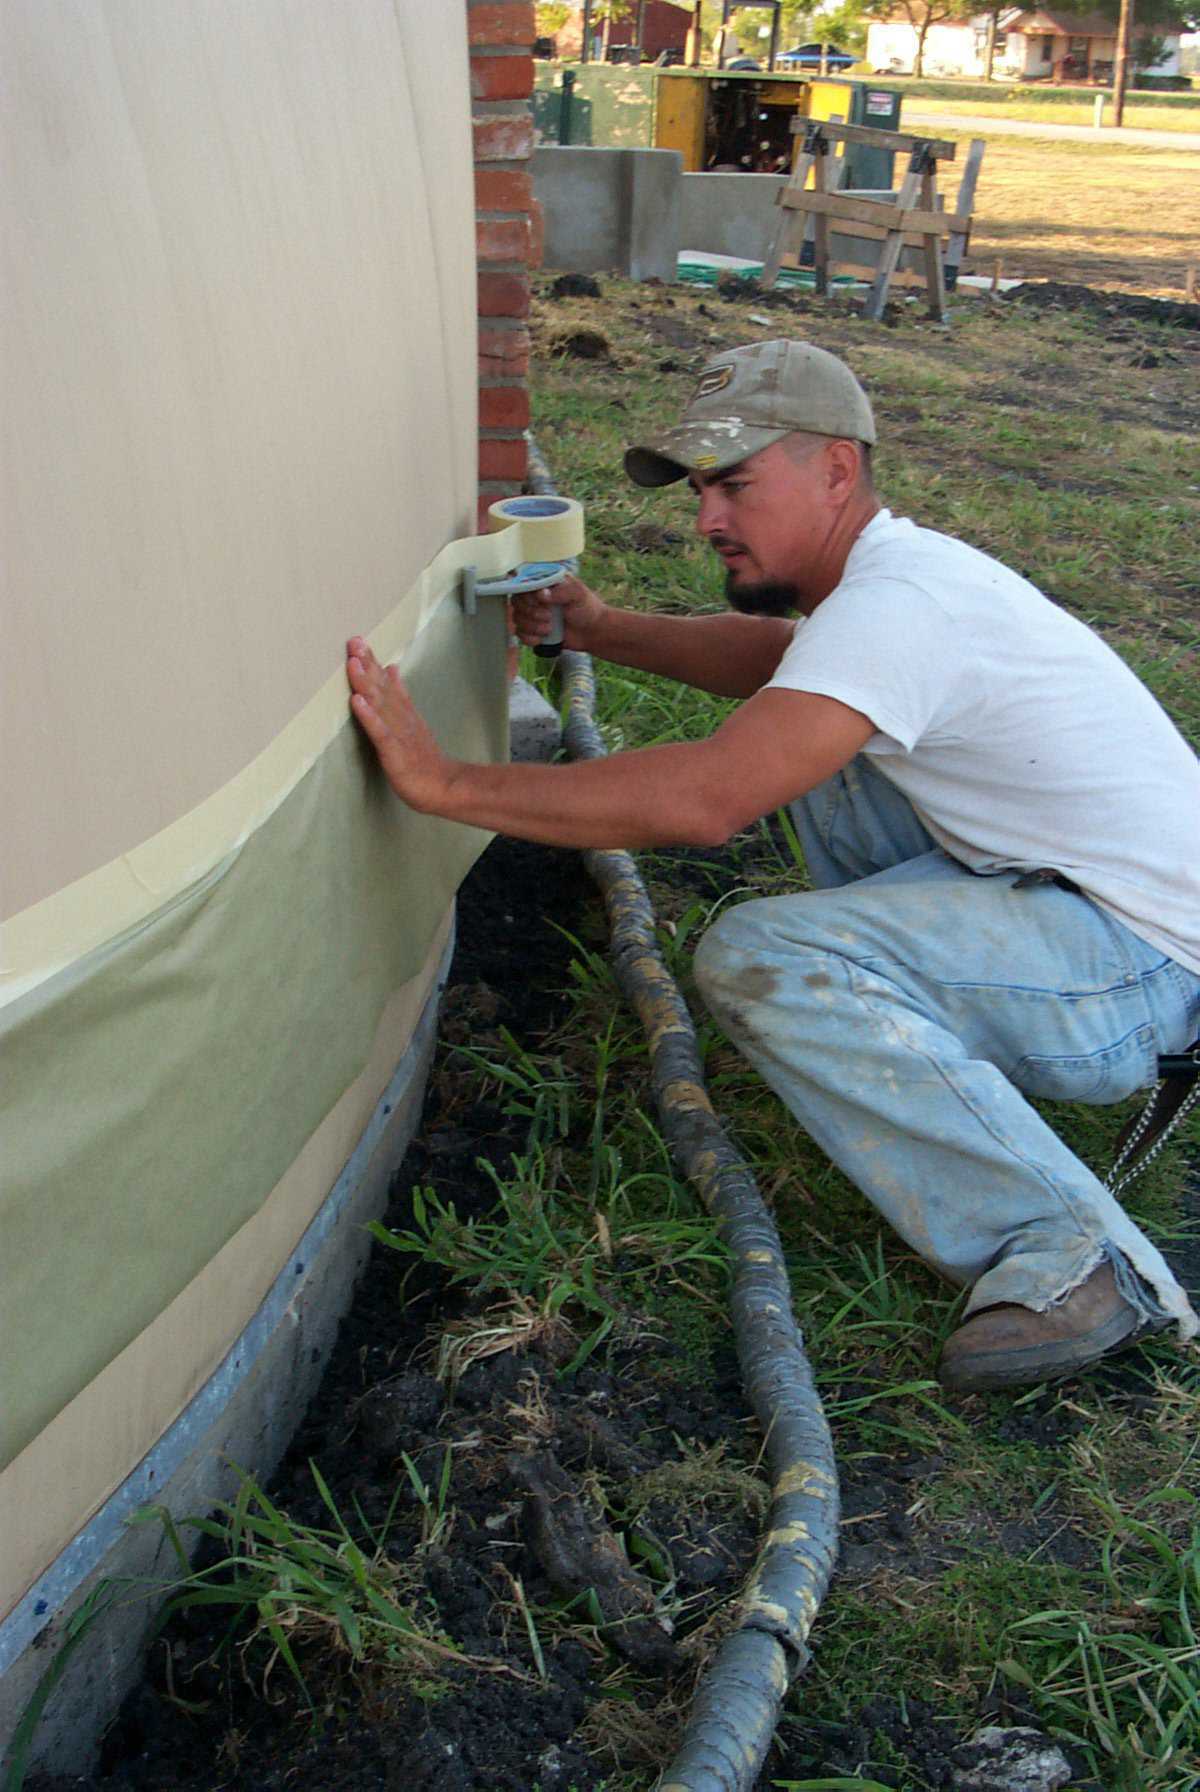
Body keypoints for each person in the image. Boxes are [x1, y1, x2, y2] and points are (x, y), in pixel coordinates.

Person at [347, 337, 1200, 1392]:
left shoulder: (904, 608)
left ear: (838, 469)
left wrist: (451, 785)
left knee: (766, 956)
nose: (707, 517)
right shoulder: (888, 588)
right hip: (1102, 915)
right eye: (703, 486)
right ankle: (915, 1029)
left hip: (1141, 968)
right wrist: (602, 630)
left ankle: (1078, 1257)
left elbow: (706, 800)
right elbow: (783, 663)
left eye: (736, 483)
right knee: (814, 731)